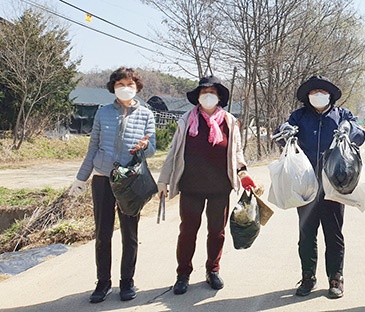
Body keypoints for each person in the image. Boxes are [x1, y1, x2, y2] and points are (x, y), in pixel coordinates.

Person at [157, 76, 257, 295]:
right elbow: (173, 153)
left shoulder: (230, 121)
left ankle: (213, 270)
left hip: (219, 188)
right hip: (191, 186)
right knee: (187, 231)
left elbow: (237, 152)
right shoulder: (186, 120)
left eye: (212, 92)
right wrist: (163, 180)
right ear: (198, 97)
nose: (208, 96)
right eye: (204, 92)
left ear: (219, 97)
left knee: (217, 232)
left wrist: (243, 173)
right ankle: (183, 274)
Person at [69, 67, 156, 303]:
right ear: (113, 88)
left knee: (130, 233)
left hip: (130, 181)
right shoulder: (103, 113)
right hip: (102, 178)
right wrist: (81, 178)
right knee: (102, 233)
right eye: (120, 84)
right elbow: (92, 148)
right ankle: (103, 282)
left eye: (130, 84)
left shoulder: (147, 114)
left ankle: (127, 281)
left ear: (137, 87)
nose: (125, 88)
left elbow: (153, 147)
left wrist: (144, 147)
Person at [276, 75, 365, 299]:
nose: (318, 95)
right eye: (313, 92)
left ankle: (336, 278)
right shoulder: (300, 116)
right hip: (306, 184)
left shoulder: (342, 115)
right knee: (307, 234)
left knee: (334, 233)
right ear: (308, 96)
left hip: (334, 183)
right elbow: (281, 133)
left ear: (330, 95)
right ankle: (308, 277)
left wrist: (349, 129)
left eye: (322, 92)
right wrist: (285, 130)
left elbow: (360, 133)